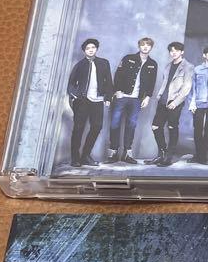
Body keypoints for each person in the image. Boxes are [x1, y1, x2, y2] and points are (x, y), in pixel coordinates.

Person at [108, 37, 158, 163]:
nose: (145, 47)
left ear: (151, 48)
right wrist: (117, 90)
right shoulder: (128, 58)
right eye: (143, 44)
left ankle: (127, 154)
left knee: (131, 125)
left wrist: (147, 97)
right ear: (139, 46)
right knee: (115, 124)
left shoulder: (153, 64)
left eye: (148, 45)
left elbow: (152, 83)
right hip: (122, 97)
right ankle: (113, 153)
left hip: (137, 99)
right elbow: (118, 74)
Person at [65, 37, 112, 167]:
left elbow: (109, 81)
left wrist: (108, 97)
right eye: (87, 48)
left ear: (96, 49)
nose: (90, 50)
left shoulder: (104, 63)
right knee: (78, 129)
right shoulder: (80, 65)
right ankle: (75, 158)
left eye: (93, 47)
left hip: (98, 100)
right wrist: (76, 96)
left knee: (97, 127)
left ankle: (85, 156)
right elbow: (71, 84)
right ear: (84, 51)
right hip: (82, 101)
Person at [149, 41, 194, 166]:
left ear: (182, 52)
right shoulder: (168, 66)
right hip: (163, 100)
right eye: (171, 51)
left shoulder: (188, 66)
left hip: (175, 102)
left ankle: (168, 157)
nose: (173, 53)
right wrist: (159, 95)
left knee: (172, 127)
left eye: (176, 51)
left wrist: (176, 102)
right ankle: (161, 154)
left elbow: (186, 87)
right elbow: (165, 83)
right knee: (156, 126)